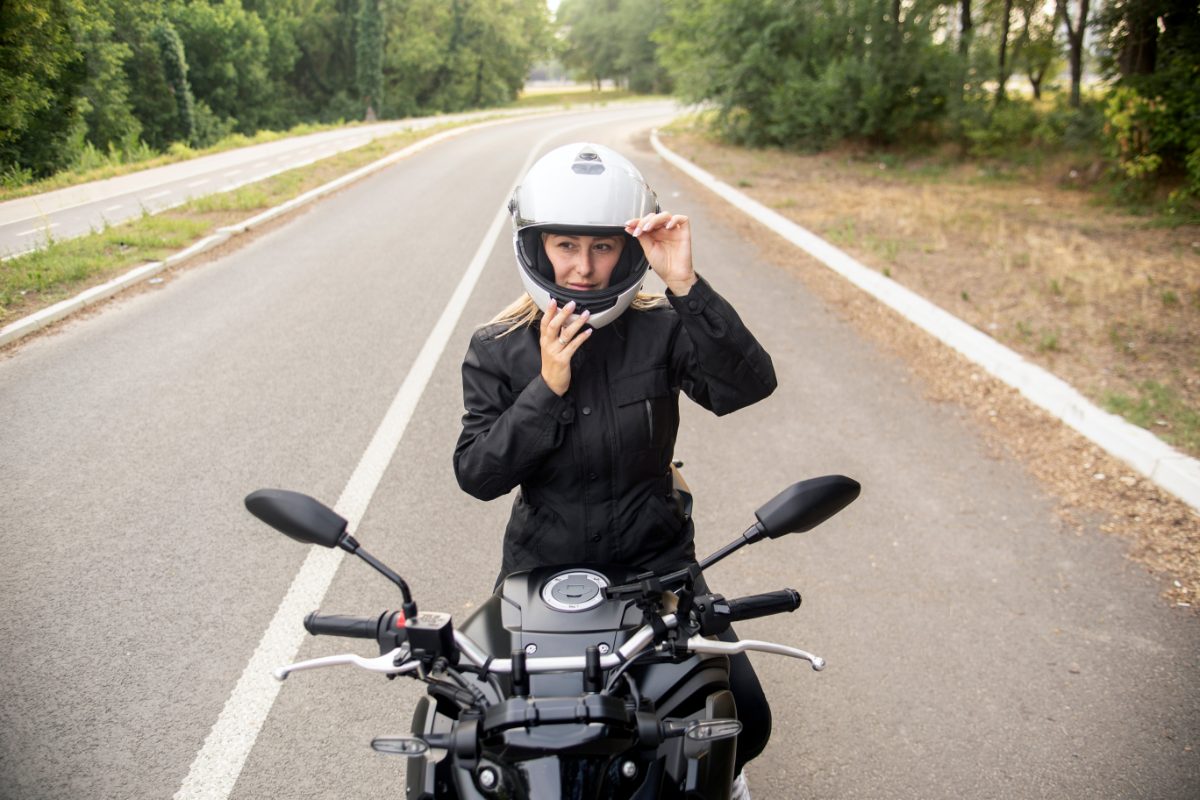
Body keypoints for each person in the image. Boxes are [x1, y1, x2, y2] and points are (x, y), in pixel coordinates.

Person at [453, 142, 776, 794]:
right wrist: (547, 386)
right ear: (536, 244)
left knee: (750, 715)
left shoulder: (661, 329)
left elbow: (747, 386)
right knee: (506, 737)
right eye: (565, 246)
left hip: (656, 570)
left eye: (601, 247)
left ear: (627, 249)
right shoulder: (497, 346)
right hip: (540, 579)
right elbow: (478, 473)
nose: (582, 268)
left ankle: (723, 779)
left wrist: (684, 284)